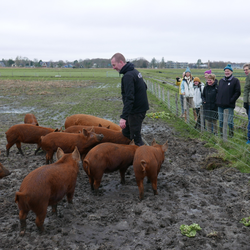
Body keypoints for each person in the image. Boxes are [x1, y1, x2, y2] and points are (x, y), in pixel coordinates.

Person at [110, 53, 149, 146]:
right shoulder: (135, 72)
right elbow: (145, 86)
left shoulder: (128, 76)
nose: (113, 68)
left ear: (121, 62)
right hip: (140, 109)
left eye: (114, 65)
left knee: (136, 139)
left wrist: (124, 117)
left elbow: (129, 98)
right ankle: (128, 152)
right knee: (126, 132)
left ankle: (145, 156)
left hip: (136, 111)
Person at [216, 64, 241, 137]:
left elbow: (237, 92)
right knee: (220, 120)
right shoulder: (221, 80)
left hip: (229, 105)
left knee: (230, 121)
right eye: (225, 71)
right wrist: (218, 99)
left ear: (231, 72)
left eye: (228, 71)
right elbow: (218, 91)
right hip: (220, 104)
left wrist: (231, 100)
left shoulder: (235, 81)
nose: (227, 72)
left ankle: (230, 135)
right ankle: (221, 134)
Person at [243, 63, 250, 144]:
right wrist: (245, 102)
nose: (245, 71)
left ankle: (249, 138)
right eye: (244, 70)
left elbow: (246, 89)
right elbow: (246, 90)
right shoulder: (248, 77)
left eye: (247, 69)